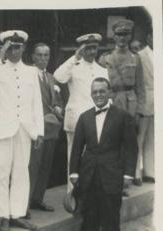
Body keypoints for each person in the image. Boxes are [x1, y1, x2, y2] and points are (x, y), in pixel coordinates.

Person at [0, 30, 43, 231]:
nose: (15, 50)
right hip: (3, 127)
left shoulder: (31, 72)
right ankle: (3, 214)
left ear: (24, 48)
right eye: (11, 47)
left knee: (22, 172)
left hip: (25, 128)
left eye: (18, 46)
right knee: (2, 172)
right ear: (5, 48)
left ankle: (17, 214)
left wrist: (38, 131)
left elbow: (36, 103)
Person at [69, 78, 137, 231]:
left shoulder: (122, 117)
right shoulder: (85, 117)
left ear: (109, 93)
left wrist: (128, 174)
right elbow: (76, 148)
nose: (98, 95)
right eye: (95, 92)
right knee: (88, 217)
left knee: (110, 218)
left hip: (111, 175)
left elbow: (131, 148)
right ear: (91, 94)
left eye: (102, 91)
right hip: (88, 175)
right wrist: (74, 172)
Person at [54, 33, 108, 193]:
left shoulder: (102, 70)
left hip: (96, 121)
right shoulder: (73, 66)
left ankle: (90, 192)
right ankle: (73, 193)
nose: (92, 52)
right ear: (82, 49)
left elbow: (106, 97)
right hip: (77, 119)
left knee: (94, 158)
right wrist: (74, 57)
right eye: (88, 48)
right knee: (74, 157)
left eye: (94, 48)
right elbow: (58, 76)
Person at [99, 19, 145, 186]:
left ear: (130, 36)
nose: (122, 38)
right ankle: (115, 179)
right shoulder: (106, 59)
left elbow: (141, 87)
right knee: (113, 143)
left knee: (130, 142)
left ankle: (129, 177)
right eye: (119, 34)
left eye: (126, 34)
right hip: (114, 101)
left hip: (131, 103)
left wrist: (140, 111)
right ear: (114, 36)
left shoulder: (136, 58)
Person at [28, 43, 63, 214]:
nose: (43, 59)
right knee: (32, 166)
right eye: (39, 55)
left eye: (46, 55)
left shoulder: (51, 78)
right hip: (35, 128)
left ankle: (37, 199)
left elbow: (57, 99)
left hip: (50, 127)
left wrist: (58, 108)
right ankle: (24, 203)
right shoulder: (27, 75)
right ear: (33, 56)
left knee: (45, 166)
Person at [136, 32, 154, 182]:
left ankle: (150, 171)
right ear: (148, 38)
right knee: (139, 137)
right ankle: (136, 173)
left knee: (152, 138)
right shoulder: (140, 55)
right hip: (145, 100)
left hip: (157, 102)